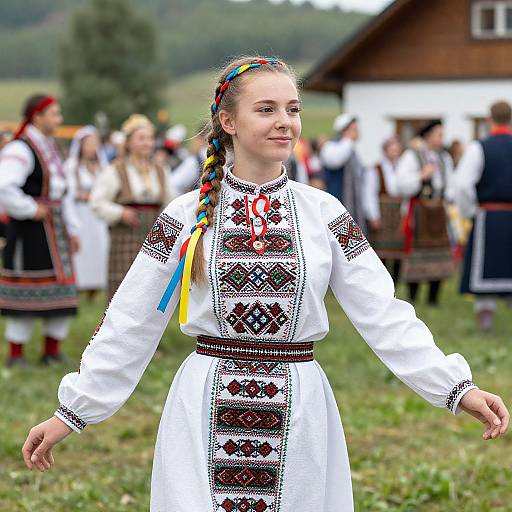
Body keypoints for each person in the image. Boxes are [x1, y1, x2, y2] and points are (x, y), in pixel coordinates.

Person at [23, 57, 508, 512]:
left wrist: (454, 386)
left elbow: (383, 311)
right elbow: (131, 319)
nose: (286, 121)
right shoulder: (185, 216)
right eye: (267, 109)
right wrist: (73, 410)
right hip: (207, 403)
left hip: (297, 410)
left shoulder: (325, 214)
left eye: (293, 109)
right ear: (228, 121)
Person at [0, 95, 80, 366]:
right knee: (25, 291)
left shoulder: (50, 146)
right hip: (29, 231)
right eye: (54, 114)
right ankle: (16, 355)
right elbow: (4, 186)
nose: (59, 120)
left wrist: (72, 228)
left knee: (60, 291)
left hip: (55, 230)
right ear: (37, 116)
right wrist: (28, 208)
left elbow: (63, 193)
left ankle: (51, 351)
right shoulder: (21, 149)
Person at [89, 114, 174, 302]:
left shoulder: (161, 170)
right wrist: (120, 212)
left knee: (151, 289)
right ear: (128, 143)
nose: (147, 143)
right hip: (125, 237)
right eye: (141, 138)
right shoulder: (116, 170)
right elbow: (97, 202)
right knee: (123, 290)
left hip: (154, 237)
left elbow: (172, 203)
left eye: (150, 138)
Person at [456, 101, 512, 331]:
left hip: (488, 216)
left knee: (485, 266)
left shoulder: (479, 148)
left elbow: (462, 185)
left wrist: (469, 212)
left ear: (489, 120)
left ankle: (486, 317)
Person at [396, 120, 455, 305]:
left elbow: (451, 184)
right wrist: (421, 176)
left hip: (438, 211)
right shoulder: (411, 156)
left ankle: (433, 298)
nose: (441, 139)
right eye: (438, 135)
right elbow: (401, 185)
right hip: (420, 212)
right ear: (428, 136)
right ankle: (413, 297)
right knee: (417, 252)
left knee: (439, 251)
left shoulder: (444, 158)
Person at [65, 126, 109, 300]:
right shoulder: (72, 166)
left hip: (97, 216)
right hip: (80, 214)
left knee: (99, 249)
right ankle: (78, 287)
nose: (92, 147)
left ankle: (95, 289)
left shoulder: (101, 165)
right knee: (81, 251)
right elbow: (68, 192)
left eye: (95, 143)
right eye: (89, 144)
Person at [364, 136, 403, 283]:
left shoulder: (402, 167)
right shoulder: (376, 169)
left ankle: (396, 281)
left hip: (399, 212)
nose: (394, 153)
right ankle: (383, 281)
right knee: (382, 250)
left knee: (399, 250)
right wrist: (374, 216)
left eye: (397, 150)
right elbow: (369, 193)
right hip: (383, 212)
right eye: (392, 150)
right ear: (385, 151)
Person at [320, 114, 366, 229]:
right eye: (354, 129)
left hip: (351, 205)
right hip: (336, 202)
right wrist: (348, 139)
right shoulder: (331, 147)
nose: (358, 132)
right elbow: (335, 161)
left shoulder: (349, 148)